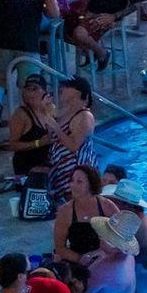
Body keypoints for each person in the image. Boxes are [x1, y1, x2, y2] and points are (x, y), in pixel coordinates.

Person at [41, 76, 98, 204]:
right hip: (62, 170)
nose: (62, 89)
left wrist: (55, 126)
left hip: (77, 172)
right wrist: (47, 110)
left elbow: (73, 146)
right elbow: (52, 136)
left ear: (77, 93)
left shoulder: (85, 116)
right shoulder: (68, 112)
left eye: (66, 87)